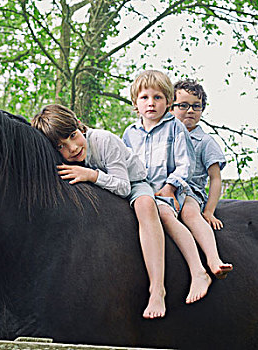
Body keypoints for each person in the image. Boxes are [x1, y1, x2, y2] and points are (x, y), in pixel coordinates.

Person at [32, 104, 167, 319]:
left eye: (72, 136)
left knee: (145, 206)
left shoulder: (104, 140)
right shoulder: (68, 159)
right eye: (61, 146)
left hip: (134, 183)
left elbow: (123, 187)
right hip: (102, 190)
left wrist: (92, 176)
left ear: (79, 126)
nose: (72, 148)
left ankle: (157, 289)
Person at [123, 70, 232, 304]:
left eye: (158, 98)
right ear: (135, 103)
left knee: (176, 214)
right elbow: (126, 162)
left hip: (172, 190)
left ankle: (201, 267)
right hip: (143, 189)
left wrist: (171, 188)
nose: (151, 103)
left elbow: (186, 165)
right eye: (144, 98)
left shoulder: (176, 128)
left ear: (168, 103)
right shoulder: (130, 133)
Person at [170, 78, 232, 278]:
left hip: (190, 192)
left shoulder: (206, 141)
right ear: (170, 108)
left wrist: (210, 211)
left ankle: (213, 259)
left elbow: (215, 178)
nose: (190, 111)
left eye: (196, 106)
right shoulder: (164, 136)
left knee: (189, 213)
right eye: (184, 105)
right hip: (165, 188)